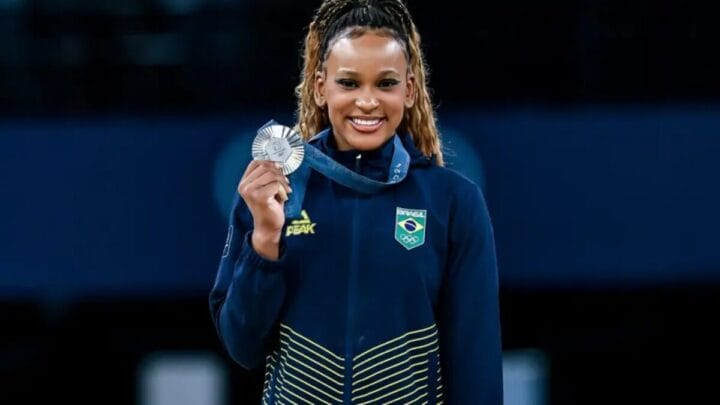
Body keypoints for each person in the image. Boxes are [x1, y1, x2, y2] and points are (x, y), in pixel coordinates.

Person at [209, 0, 503, 403]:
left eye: (385, 83)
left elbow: (475, 361)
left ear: (410, 90)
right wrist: (265, 240)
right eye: (348, 83)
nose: (367, 101)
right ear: (320, 87)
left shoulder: (452, 201)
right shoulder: (275, 191)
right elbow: (243, 347)